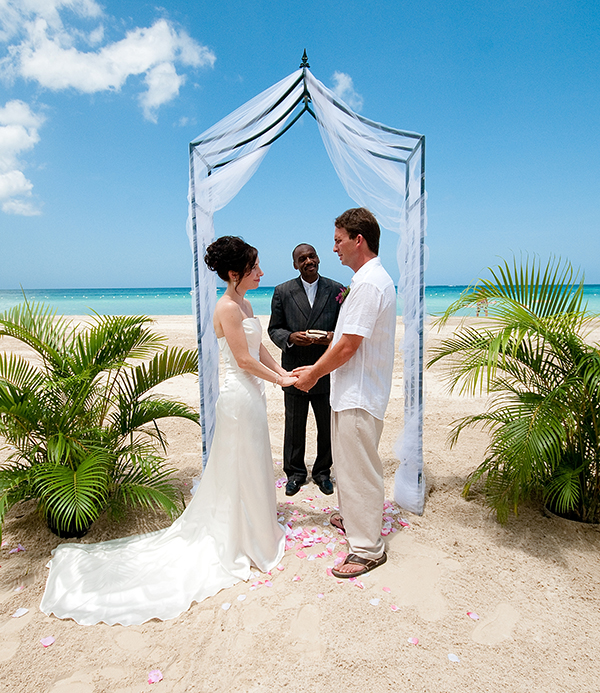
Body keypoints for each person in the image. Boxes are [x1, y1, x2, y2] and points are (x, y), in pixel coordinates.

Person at [40, 236, 296, 626]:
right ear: (234, 274)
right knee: (238, 464)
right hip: (238, 398)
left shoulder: (245, 303)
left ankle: (256, 527)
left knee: (254, 461)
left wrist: (281, 372)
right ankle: (242, 537)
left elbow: (259, 348)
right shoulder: (226, 306)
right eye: (255, 266)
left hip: (253, 396)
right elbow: (242, 360)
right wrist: (281, 383)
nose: (261, 272)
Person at [293, 208, 396, 579]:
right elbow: (343, 339)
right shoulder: (366, 279)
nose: (333, 248)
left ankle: (368, 548)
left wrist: (313, 374)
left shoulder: (368, 284)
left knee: (359, 470)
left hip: (359, 392)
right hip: (350, 389)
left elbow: (349, 345)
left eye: (338, 240)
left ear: (359, 240)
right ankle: (354, 518)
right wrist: (317, 370)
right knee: (348, 467)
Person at [268, 243, 343, 497]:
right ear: (295, 264)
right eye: (302, 258)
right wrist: (290, 337)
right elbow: (273, 329)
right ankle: (295, 474)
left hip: (325, 369)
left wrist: (331, 337)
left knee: (326, 425)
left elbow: (344, 329)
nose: (308, 261)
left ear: (318, 258)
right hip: (295, 370)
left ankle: (323, 472)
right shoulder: (282, 292)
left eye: (311, 256)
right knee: (294, 426)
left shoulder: (337, 290)